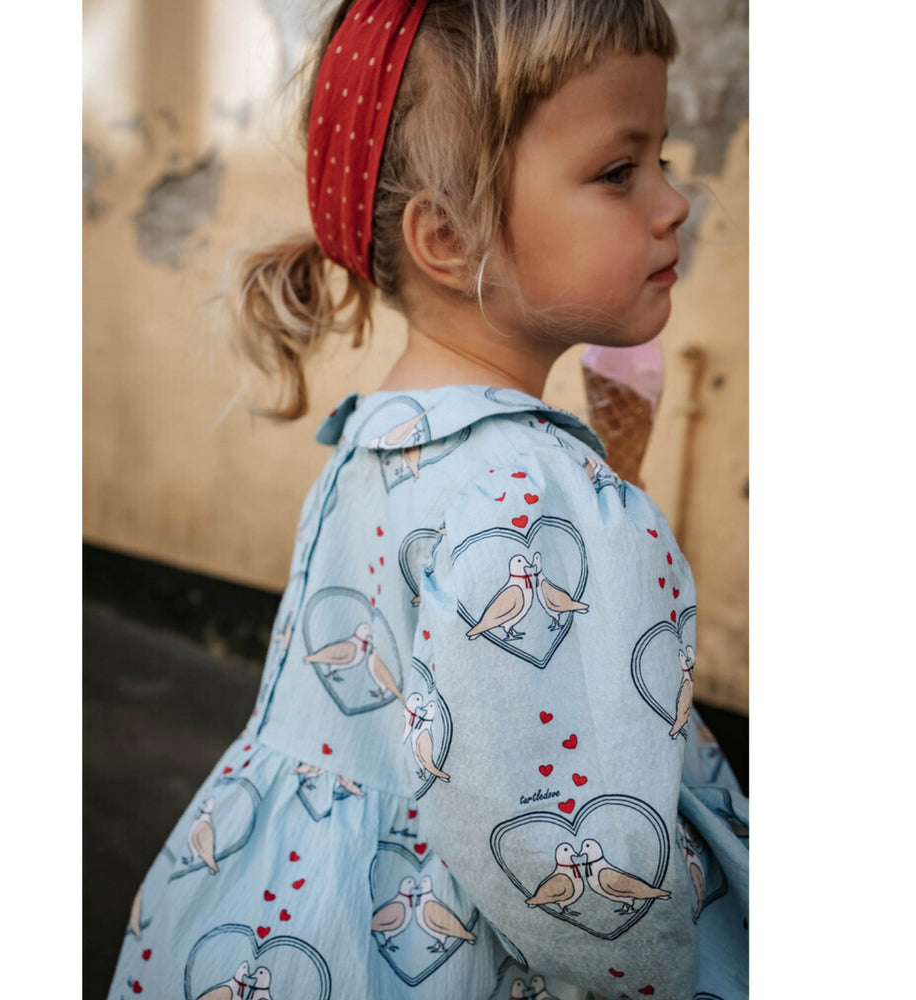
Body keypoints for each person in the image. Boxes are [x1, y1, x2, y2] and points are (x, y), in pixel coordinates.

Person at [106, 2, 748, 997]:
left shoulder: (376, 434)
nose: (674, 202)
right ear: (448, 237)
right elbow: (572, 876)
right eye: (620, 171)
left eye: (659, 157)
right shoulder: (538, 485)